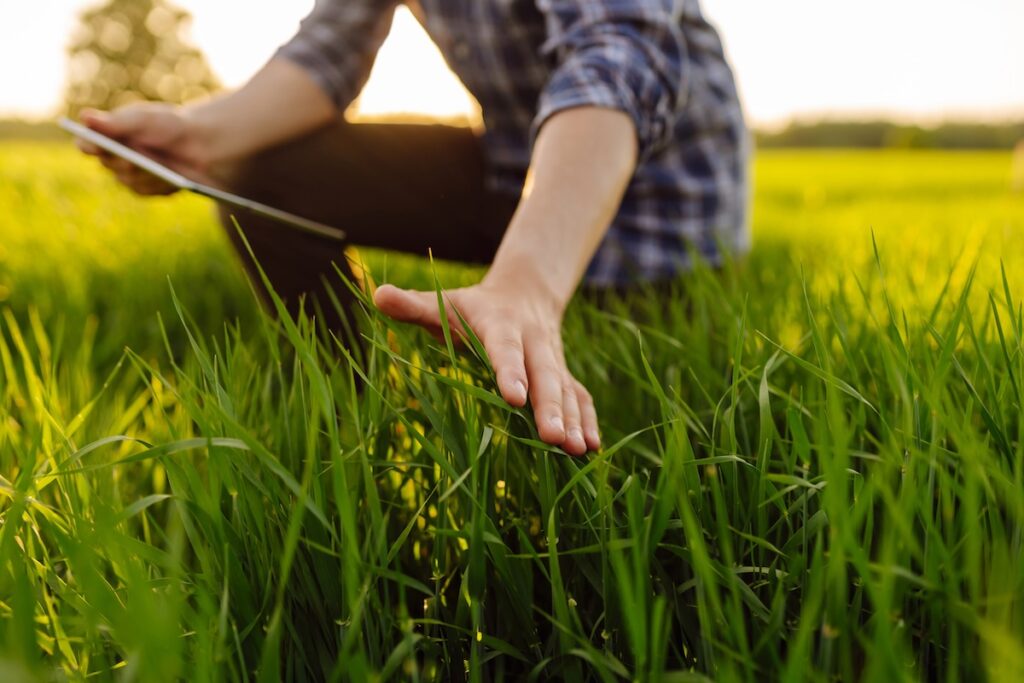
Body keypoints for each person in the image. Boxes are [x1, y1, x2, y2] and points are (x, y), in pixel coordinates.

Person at [75, 0, 748, 456]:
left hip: (663, 214)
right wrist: (201, 135)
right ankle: (347, 431)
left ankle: (532, 304)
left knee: (640, 410)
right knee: (259, 176)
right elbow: (327, 52)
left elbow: (617, 55)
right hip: (516, 165)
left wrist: (527, 282)